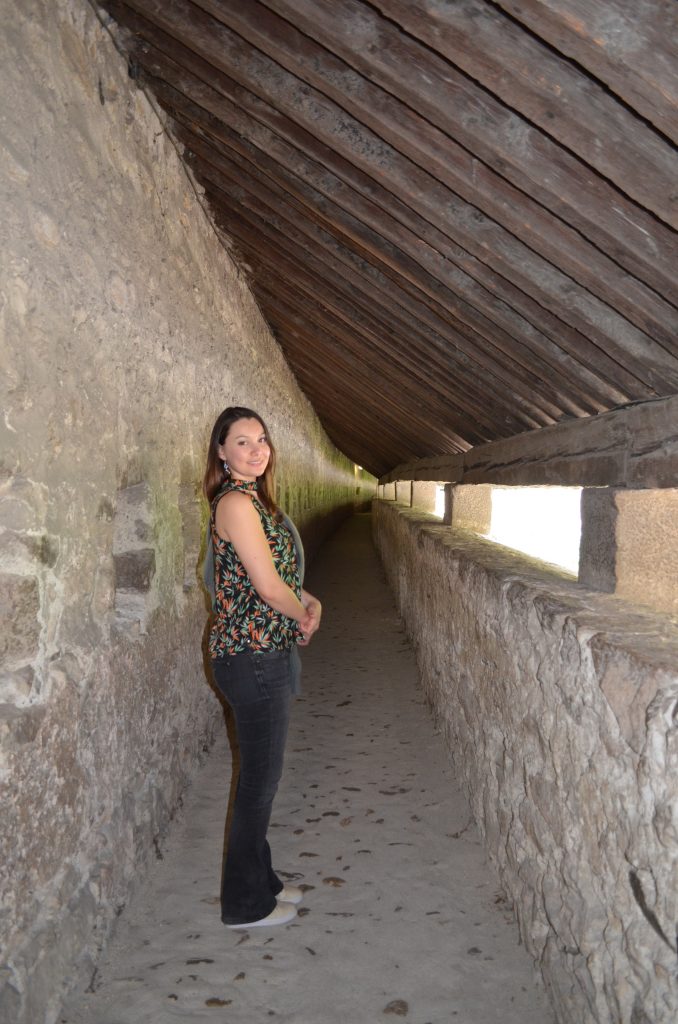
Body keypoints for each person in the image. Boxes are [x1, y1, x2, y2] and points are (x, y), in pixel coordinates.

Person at [202, 406, 321, 930]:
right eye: (242, 442)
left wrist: (311, 603)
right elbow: (270, 590)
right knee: (258, 783)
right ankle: (246, 906)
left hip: (258, 652)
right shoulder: (235, 503)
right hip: (250, 656)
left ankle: (264, 882)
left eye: (262, 440)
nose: (256, 450)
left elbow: (274, 576)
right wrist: (303, 618)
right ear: (222, 453)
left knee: (261, 778)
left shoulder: (255, 502)